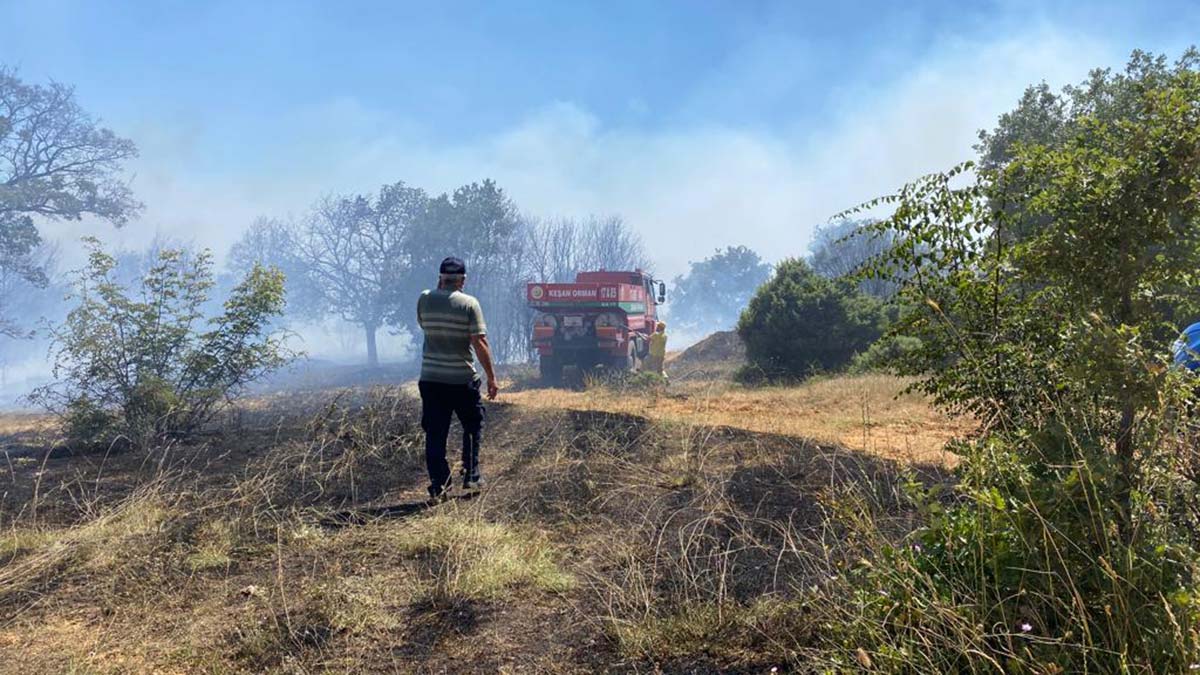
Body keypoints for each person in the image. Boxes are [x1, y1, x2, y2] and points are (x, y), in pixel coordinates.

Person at [416, 256, 499, 503]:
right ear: (462, 280)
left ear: (440, 277)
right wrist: (492, 378)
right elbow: (479, 342)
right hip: (461, 379)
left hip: (430, 379)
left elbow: (424, 325)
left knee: (435, 432)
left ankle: (439, 485)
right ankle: (471, 475)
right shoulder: (469, 304)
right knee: (473, 424)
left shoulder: (424, 298)